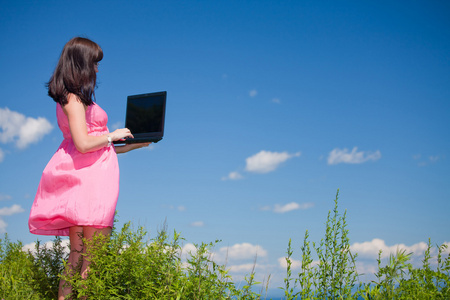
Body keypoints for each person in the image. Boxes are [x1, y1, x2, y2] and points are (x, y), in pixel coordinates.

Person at [28, 37, 150, 299]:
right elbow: (83, 144)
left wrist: (136, 144)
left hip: (88, 177)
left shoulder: (75, 98)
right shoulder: (73, 99)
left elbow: (96, 147)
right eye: (94, 63)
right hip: (91, 185)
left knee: (78, 255)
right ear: (82, 63)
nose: (97, 69)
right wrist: (111, 134)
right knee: (92, 259)